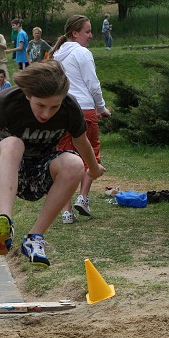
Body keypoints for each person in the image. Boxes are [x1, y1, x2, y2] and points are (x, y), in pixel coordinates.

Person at [0, 61, 105, 267]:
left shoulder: (70, 108)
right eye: (40, 105)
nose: (46, 114)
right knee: (15, 143)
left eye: (54, 107)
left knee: (75, 164)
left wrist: (92, 168)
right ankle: (4, 220)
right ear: (28, 95)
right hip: (0, 164)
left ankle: (34, 238)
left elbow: (81, 141)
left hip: (36, 171)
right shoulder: (8, 102)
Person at [50, 14, 111, 224]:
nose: (91, 35)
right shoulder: (82, 53)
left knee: (65, 159)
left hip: (61, 110)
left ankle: (67, 212)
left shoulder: (56, 54)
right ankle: (83, 197)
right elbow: (93, 84)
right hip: (84, 109)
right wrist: (102, 108)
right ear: (75, 33)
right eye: (87, 31)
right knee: (91, 155)